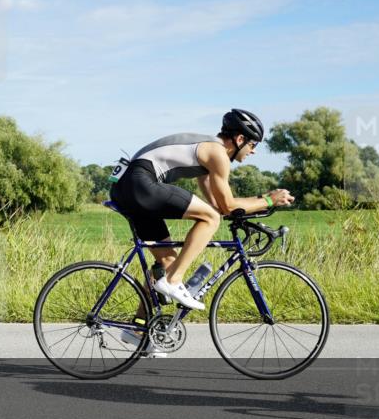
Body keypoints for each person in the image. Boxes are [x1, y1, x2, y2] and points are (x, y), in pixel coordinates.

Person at [109, 108, 295, 312]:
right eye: (252, 144)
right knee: (210, 219)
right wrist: (269, 199)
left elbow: (222, 207)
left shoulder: (207, 159)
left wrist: (258, 201)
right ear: (240, 138)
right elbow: (225, 208)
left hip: (125, 188)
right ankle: (173, 281)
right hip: (140, 183)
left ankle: (139, 328)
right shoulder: (217, 153)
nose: (254, 151)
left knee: (168, 261)